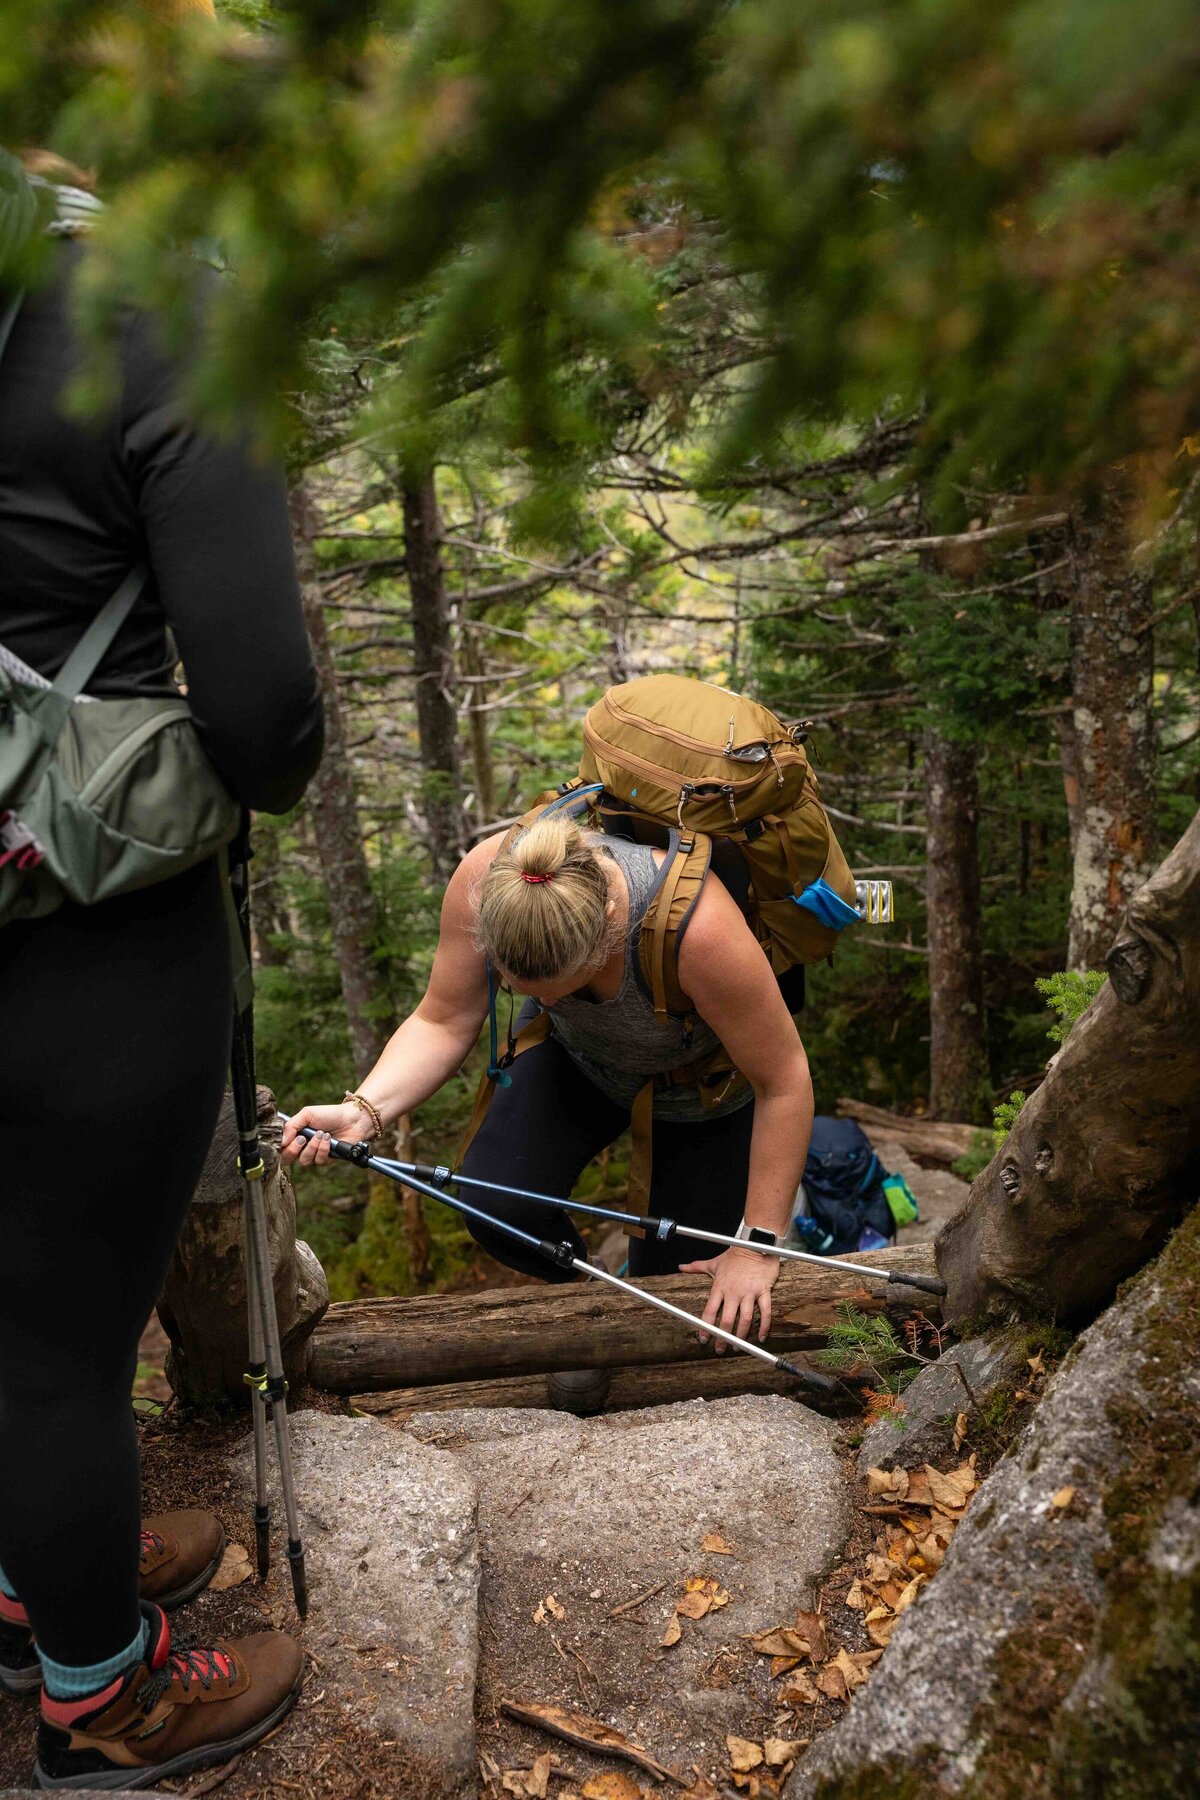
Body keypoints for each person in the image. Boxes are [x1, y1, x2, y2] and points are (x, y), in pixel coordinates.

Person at [0, 157, 324, 1787]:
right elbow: (263, 724)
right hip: (85, 919)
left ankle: (31, 1567)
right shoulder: (151, 306)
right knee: (55, 1340)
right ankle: (98, 1695)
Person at [282, 809, 816, 1396]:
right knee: (495, 1204)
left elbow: (784, 1080)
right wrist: (364, 1110)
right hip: (579, 1060)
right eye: (518, 987)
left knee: (683, 1297)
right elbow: (444, 1016)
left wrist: (757, 1244)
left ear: (610, 925)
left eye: (557, 987)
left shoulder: (697, 930)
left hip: (703, 1091)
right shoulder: (488, 879)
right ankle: (589, 1305)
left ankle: (773, 1207)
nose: (531, 996)